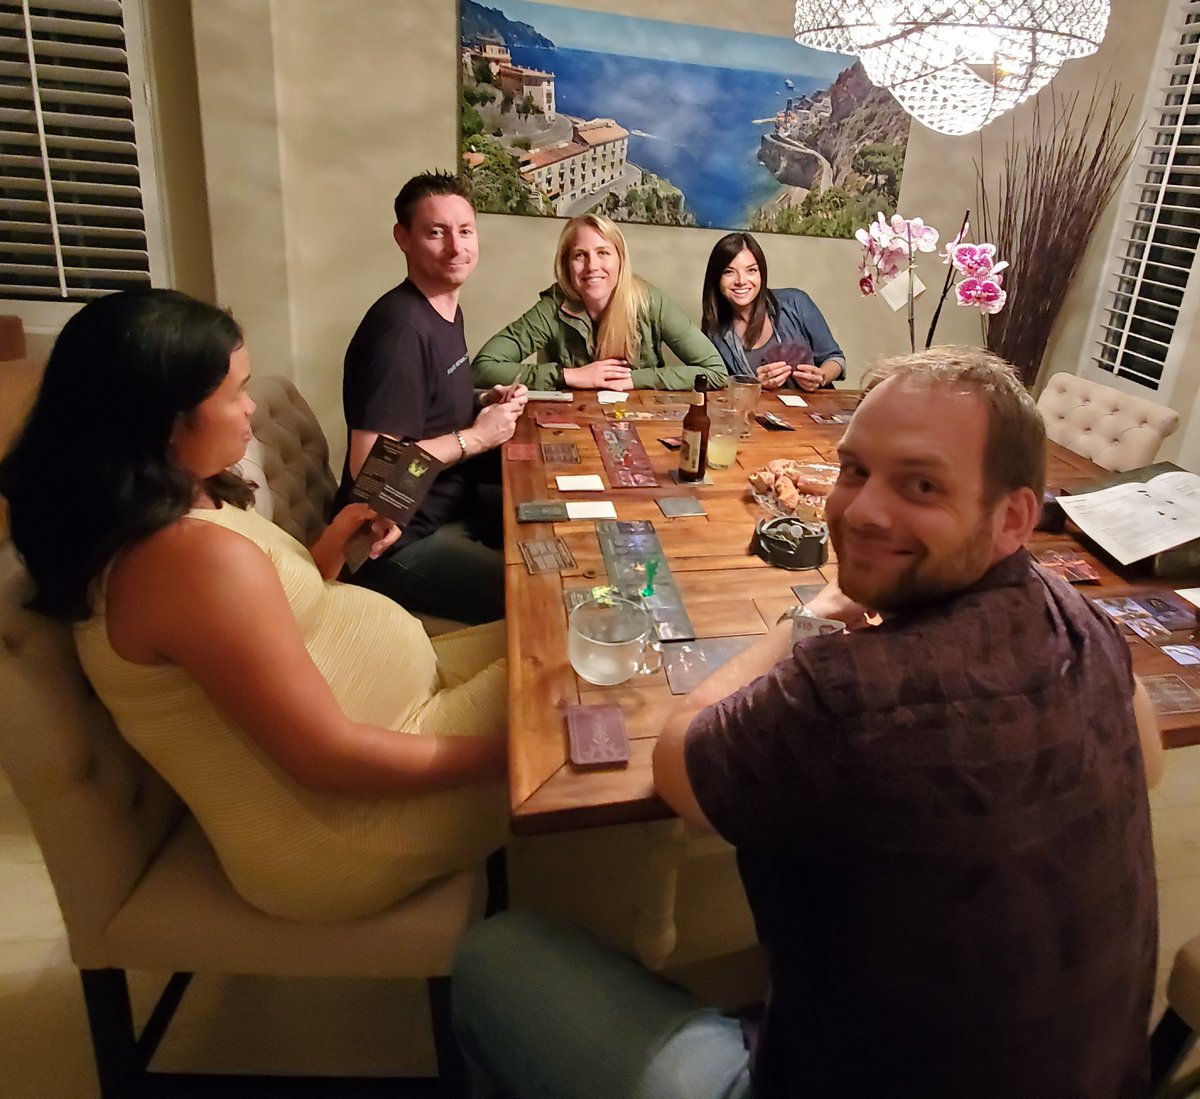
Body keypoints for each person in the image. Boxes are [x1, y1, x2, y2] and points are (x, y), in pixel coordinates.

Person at [450, 347, 1162, 1099]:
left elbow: (677, 763)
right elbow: (1145, 760)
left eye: (921, 484)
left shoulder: (846, 690)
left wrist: (803, 621)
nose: (862, 511)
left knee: (497, 954)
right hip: (1106, 1077)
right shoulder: (1080, 616)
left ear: (1013, 516)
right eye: (855, 470)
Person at [0, 289, 510, 923]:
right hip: (352, 828)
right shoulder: (180, 561)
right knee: (586, 693)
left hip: (409, 711)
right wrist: (518, 750)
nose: (249, 409)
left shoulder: (177, 501)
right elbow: (327, 760)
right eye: (234, 393)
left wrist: (335, 541)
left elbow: (275, 611)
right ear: (165, 421)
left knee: (563, 634)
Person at [338, 171, 528, 624]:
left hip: (448, 504)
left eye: (465, 231)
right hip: (394, 545)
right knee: (541, 595)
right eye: (436, 233)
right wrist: (475, 438)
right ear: (402, 238)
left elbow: (428, 409)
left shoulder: (441, 307)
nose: (456, 247)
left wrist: (482, 402)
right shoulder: (400, 330)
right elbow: (372, 475)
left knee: (564, 527)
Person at [472, 213, 727, 392]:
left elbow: (715, 371)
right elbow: (482, 368)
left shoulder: (650, 302)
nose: (592, 266)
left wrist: (635, 379)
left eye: (603, 252)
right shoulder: (553, 307)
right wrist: (568, 376)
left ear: (620, 260)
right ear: (566, 265)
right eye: (579, 255)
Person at [701, 231, 845, 391]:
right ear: (716, 279)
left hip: (814, 405)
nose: (741, 281)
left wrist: (821, 377)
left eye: (751, 270)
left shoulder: (796, 302)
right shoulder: (715, 332)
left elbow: (835, 358)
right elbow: (718, 388)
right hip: (761, 407)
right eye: (729, 272)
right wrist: (757, 385)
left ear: (762, 274)